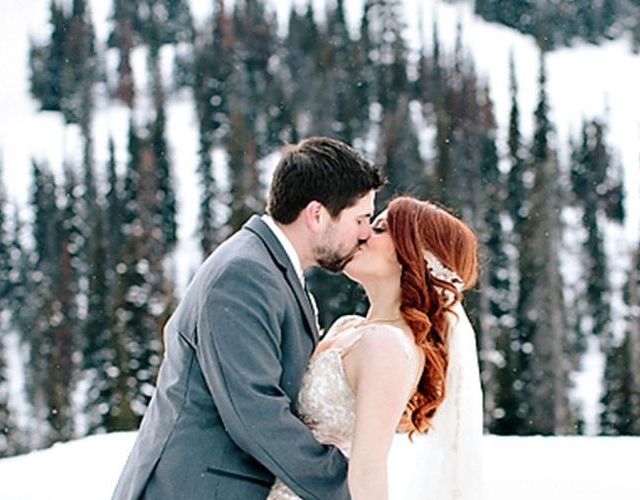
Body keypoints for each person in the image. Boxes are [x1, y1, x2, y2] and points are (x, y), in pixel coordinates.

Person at [111, 136, 384, 500]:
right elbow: (254, 412)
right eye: (360, 219)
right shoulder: (244, 274)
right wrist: (349, 489)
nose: (365, 234)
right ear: (316, 215)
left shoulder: (269, 267)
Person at [267, 196, 484, 500]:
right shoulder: (349, 327)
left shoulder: (387, 345)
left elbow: (367, 468)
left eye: (380, 229)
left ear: (413, 256)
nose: (363, 233)